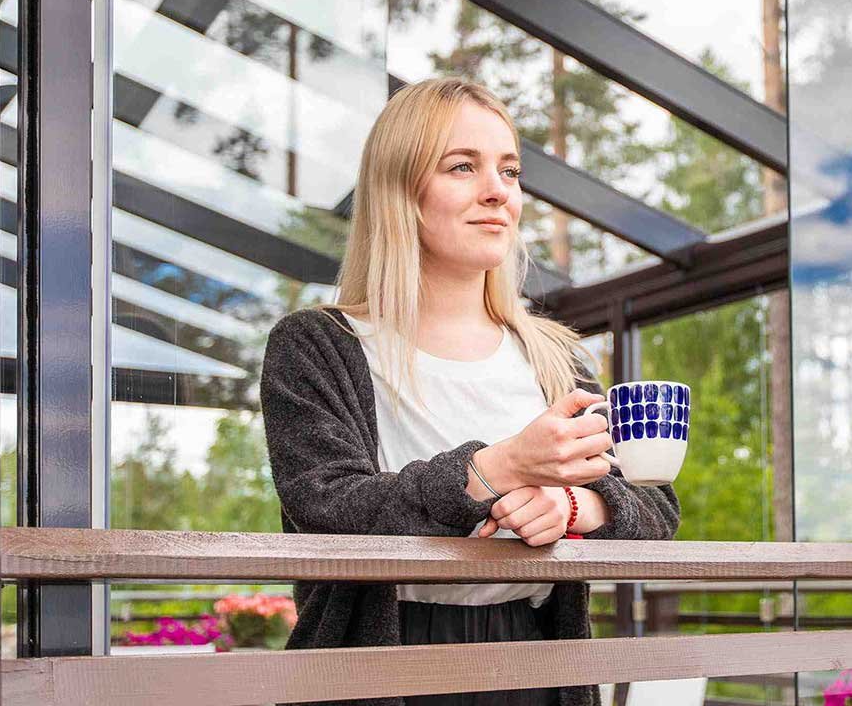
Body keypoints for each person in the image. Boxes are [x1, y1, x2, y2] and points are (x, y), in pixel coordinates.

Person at [261, 78, 680, 706]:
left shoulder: (554, 355)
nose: (498, 192)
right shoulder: (320, 343)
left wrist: (571, 509)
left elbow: (655, 507)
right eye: (463, 166)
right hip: (379, 664)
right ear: (399, 190)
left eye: (509, 171)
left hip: (537, 661)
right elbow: (324, 504)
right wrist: (499, 467)